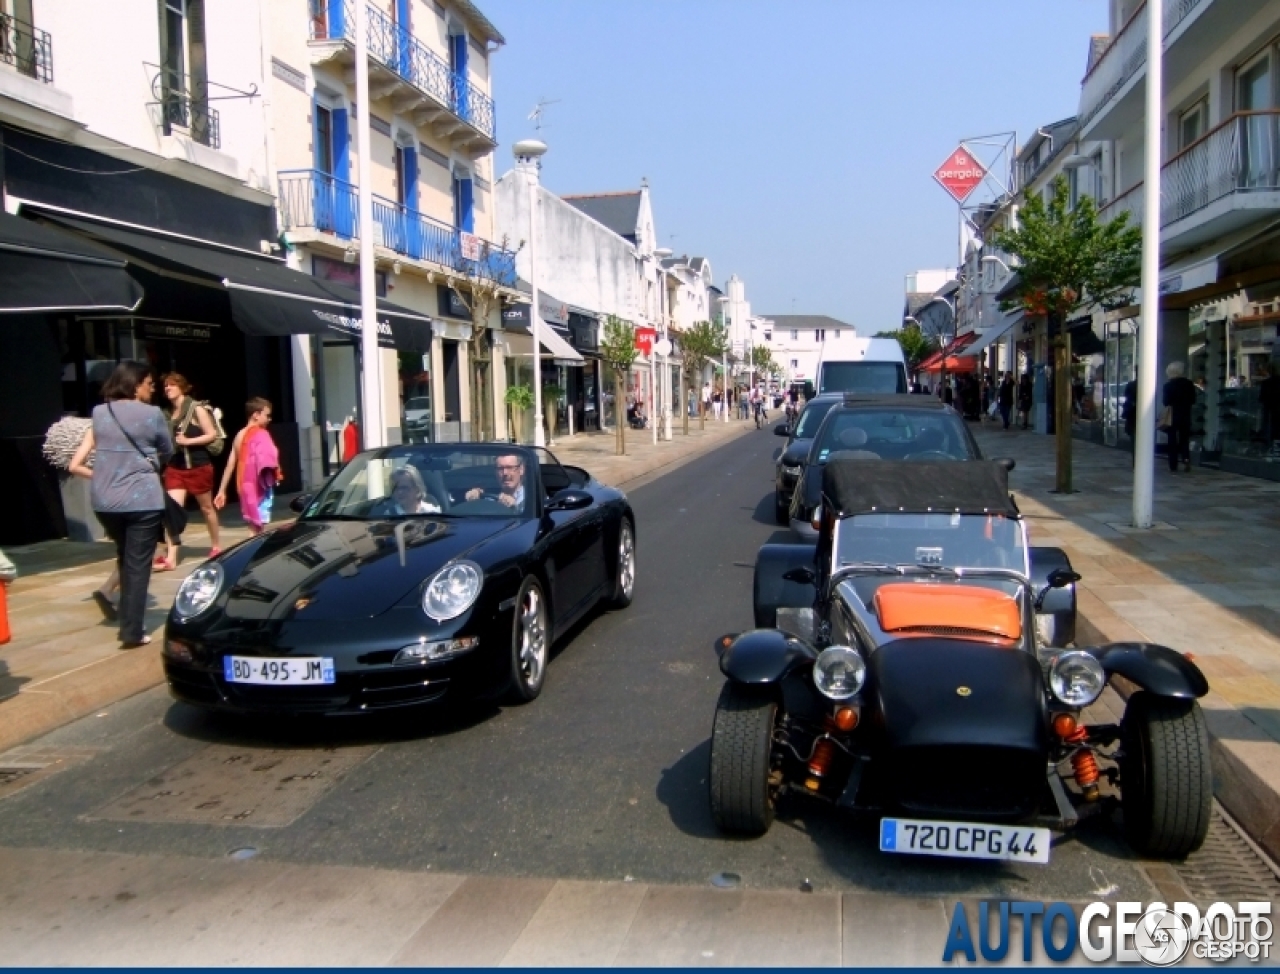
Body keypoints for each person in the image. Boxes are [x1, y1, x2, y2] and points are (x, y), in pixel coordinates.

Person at [68, 362, 172, 648]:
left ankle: (126, 614)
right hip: (141, 499)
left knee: (125, 556)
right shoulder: (152, 414)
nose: (152, 389)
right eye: (149, 384)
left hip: (105, 502)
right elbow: (168, 448)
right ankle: (133, 631)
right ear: (134, 384)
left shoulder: (100, 412)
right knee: (139, 564)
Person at [155, 373, 220, 571]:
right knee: (171, 512)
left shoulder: (196, 409)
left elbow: (212, 434)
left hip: (198, 466)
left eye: (172, 385)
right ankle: (171, 557)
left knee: (207, 508)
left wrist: (189, 441)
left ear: (182, 388)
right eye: (165, 386)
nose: (167, 388)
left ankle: (216, 545)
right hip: (175, 468)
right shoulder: (166, 413)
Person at [215, 398, 280, 534]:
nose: (269, 419)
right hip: (258, 485)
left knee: (253, 525)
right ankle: (253, 554)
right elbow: (269, 459)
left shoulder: (239, 434)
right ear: (256, 415)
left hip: (244, 486)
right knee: (258, 527)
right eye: (267, 415)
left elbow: (230, 464)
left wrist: (222, 490)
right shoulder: (262, 434)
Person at [1162, 361, 1197, 473]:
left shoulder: (1168, 386)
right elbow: (1193, 400)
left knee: (1172, 439)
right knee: (1184, 439)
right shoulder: (1189, 384)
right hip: (1185, 414)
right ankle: (1186, 459)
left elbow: (1165, 402)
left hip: (1172, 414)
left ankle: (1173, 464)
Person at [372, 466, 442, 516]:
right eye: (396, 488)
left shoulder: (432, 512)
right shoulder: (390, 514)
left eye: (404, 488)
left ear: (417, 489)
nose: (400, 492)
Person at [1259, 363, 1280, 451]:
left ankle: (1271, 446)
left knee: (1270, 428)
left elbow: (1261, 398)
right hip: (1277, 408)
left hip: (1270, 409)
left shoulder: (1266, 383)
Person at [1122, 375, 1138, 455]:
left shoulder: (1131, 384)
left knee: (1133, 437)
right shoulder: (1149, 384)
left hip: (1132, 413)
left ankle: (1135, 458)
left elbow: (1126, 395)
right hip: (1136, 413)